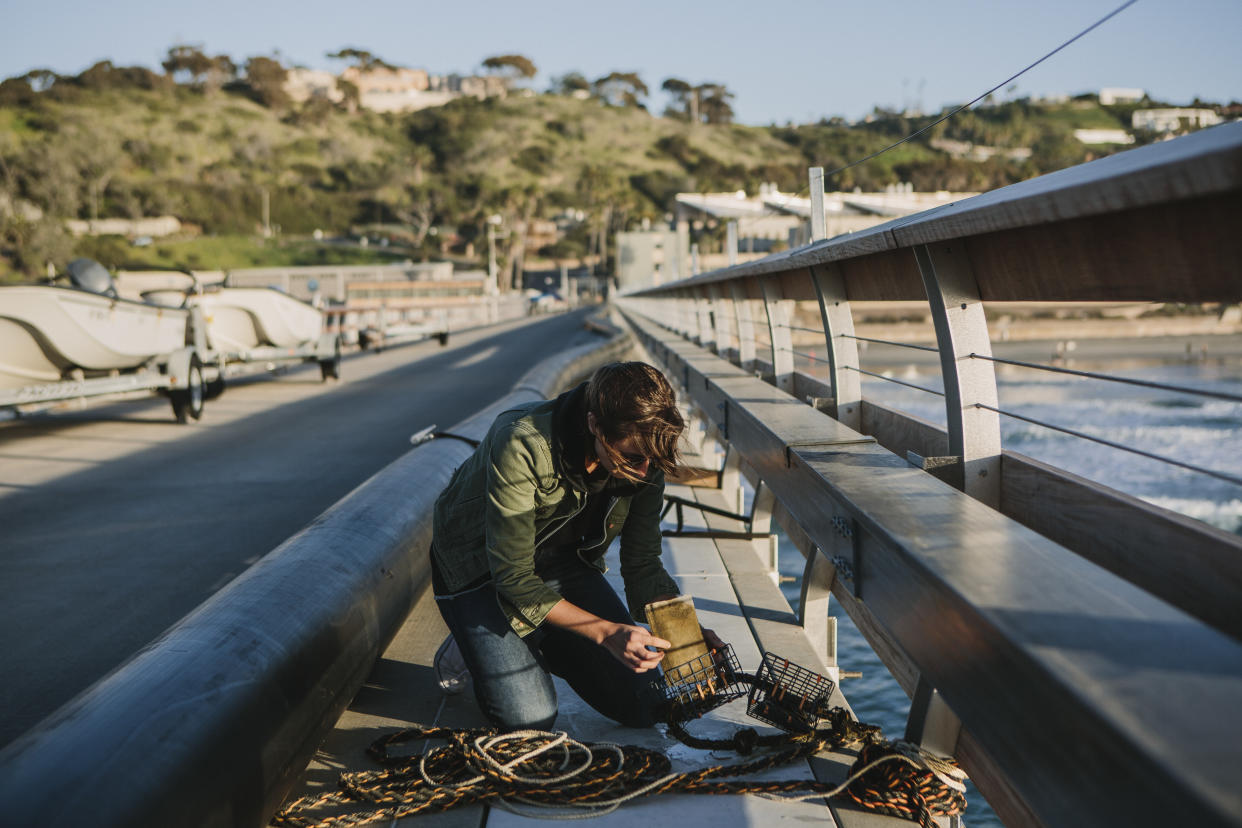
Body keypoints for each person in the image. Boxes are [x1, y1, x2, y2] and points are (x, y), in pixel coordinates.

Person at [430, 361, 722, 730]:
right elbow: (513, 576)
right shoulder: (521, 442)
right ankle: (474, 640)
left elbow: (643, 564)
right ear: (594, 425)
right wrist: (605, 632)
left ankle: (537, 634)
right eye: (632, 458)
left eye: (655, 459)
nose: (645, 471)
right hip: (481, 571)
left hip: (558, 563)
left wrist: (686, 636)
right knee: (529, 718)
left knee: (647, 705)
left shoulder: (647, 450)